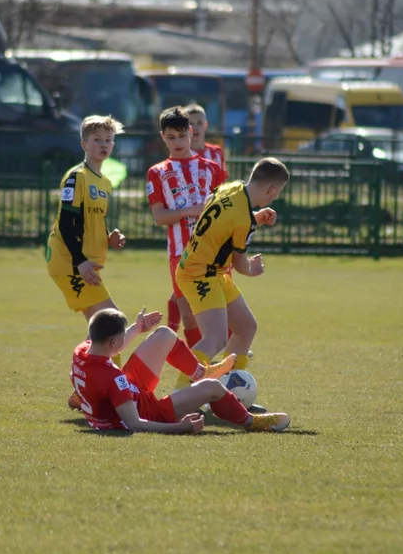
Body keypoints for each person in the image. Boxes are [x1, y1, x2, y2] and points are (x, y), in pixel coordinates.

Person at [70, 307, 290, 433]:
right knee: (213, 387)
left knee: (164, 334)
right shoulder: (114, 378)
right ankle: (252, 422)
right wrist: (180, 428)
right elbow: (134, 423)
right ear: (114, 343)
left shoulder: (81, 350)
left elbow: (83, 375)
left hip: (131, 389)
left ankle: (199, 373)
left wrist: (138, 329)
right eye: (121, 338)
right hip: (149, 411)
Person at [175, 158, 287, 381]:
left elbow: (216, 211)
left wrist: (256, 218)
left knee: (246, 327)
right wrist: (253, 270)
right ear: (272, 189)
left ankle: (231, 389)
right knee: (215, 338)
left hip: (211, 271)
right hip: (198, 273)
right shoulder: (243, 220)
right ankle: (181, 395)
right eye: (278, 192)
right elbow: (240, 264)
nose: (276, 196)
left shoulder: (232, 187)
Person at [146, 107, 226, 365]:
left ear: (191, 132)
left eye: (181, 135)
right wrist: (191, 210)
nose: (177, 142)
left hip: (214, 253)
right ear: (163, 137)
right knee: (189, 317)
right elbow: (159, 217)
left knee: (223, 315)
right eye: (171, 137)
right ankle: (199, 379)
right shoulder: (157, 172)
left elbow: (227, 212)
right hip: (180, 255)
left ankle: (224, 376)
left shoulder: (212, 168)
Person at [45, 115, 127, 323]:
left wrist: (108, 237)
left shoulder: (105, 183)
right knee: (113, 323)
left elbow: (90, 220)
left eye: (108, 140)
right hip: (70, 261)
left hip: (83, 263)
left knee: (101, 330)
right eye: (97, 139)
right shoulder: (77, 177)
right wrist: (79, 261)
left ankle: (93, 358)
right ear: (84, 144)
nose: (103, 144)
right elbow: (66, 222)